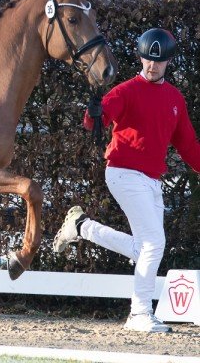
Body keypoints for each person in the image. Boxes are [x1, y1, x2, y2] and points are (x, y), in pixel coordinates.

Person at [53, 28, 200, 333]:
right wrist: (93, 115)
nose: (152, 65)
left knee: (143, 248)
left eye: (158, 61)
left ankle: (82, 227)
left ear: (168, 62)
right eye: (148, 59)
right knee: (155, 242)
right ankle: (139, 313)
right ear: (141, 57)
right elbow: (98, 119)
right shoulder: (125, 91)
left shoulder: (174, 98)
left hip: (151, 181)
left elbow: (188, 146)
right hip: (123, 172)